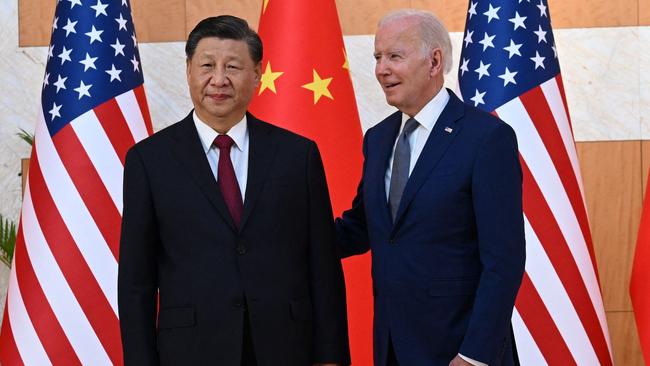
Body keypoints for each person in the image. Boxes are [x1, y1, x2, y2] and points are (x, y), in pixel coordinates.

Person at [118, 15, 349, 366]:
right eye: (207, 65)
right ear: (189, 70)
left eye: (233, 67)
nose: (219, 79)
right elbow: (136, 283)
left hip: (286, 349)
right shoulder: (149, 161)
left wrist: (330, 357)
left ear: (257, 73)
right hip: (190, 351)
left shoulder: (298, 155)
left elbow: (322, 265)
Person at [335, 9, 526, 366]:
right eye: (378, 57)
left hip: (460, 351)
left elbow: (504, 260)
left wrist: (473, 355)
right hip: (393, 347)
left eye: (394, 56)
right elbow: (363, 228)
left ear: (434, 61)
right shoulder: (377, 140)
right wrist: (286, 236)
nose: (381, 69)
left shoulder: (486, 138)